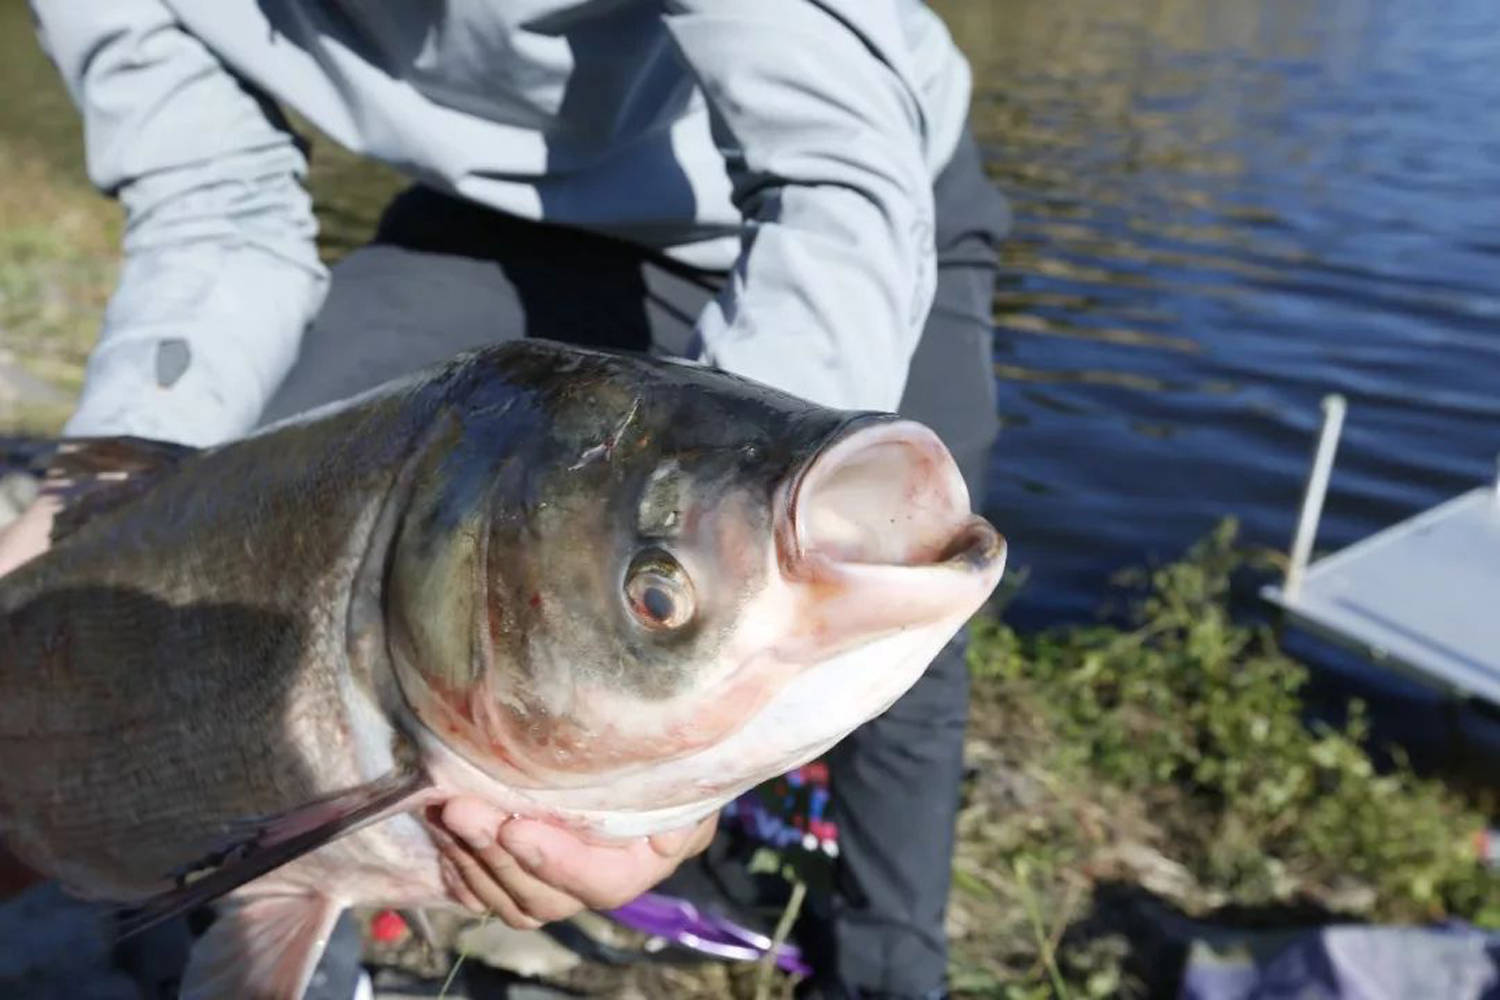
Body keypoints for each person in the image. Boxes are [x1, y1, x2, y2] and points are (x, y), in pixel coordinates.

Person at [6, 2, 1009, 996]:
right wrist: (74, 535)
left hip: (850, 179)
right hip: (488, 207)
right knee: (266, 575)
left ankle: (890, 973)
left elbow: (836, 167)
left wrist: (713, 524)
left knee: (893, 603)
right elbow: (214, 207)